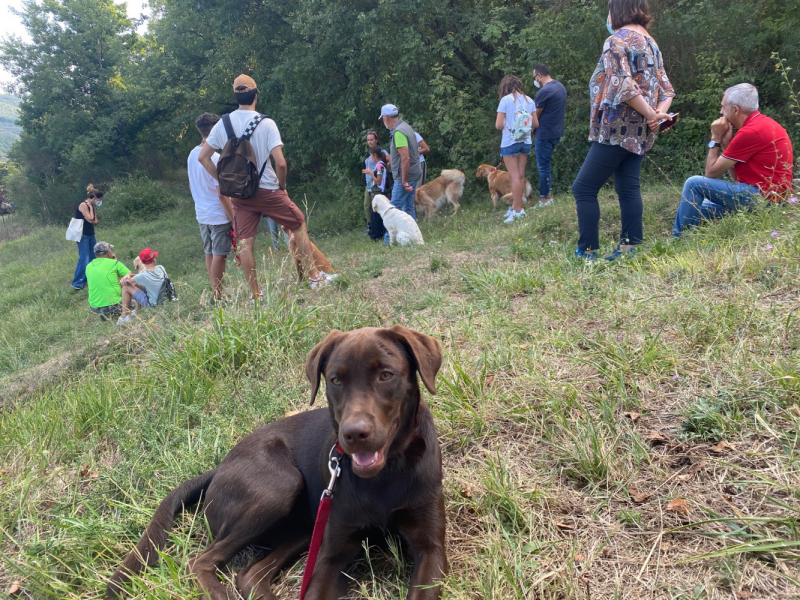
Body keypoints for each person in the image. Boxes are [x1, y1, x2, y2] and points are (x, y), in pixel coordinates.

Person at [200, 74, 336, 295]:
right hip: (268, 189)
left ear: (236, 96)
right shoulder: (266, 123)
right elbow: (280, 162)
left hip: (240, 195)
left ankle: (256, 295)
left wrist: (225, 182)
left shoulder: (222, 124)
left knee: (246, 244)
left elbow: (203, 158)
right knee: (298, 224)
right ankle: (314, 278)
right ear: (256, 95)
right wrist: (281, 186)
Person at [571, 0, 674, 260]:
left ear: (617, 10)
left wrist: (653, 115)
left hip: (616, 128)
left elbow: (622, 86)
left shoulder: (616, 40)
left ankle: (587, 252)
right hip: (641, 132)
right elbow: (667, 89)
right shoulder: (650, 42)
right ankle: (630, 249)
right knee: (628, 188)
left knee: (583, 188)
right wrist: (657, 117)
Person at [673, 83, 794, 236]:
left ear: (735, 110)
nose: (721, 111)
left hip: (764, 200)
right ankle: (693, 233)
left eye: (723, 107)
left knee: (693, 184)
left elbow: (710, 173)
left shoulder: (751, 132)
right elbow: (738, 179)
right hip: (769, 198)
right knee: (695, 207)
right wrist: (726, 145)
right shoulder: (762, 124)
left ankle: (679, 238)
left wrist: (715, 138)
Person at [188, 113, 235, 302]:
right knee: (220, 255)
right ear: (216, 130)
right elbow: (222, 194)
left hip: (202, 214)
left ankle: (217, 290)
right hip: (218, 215)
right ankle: (218, 296)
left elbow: (191, 184)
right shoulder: (215, 158)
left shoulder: (193, 154)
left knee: (210, 253)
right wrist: (234, 219)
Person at [495, 75, 539, 224]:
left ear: (504, 87)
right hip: (525, 141)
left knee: (513, 177)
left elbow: (498, 124)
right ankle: (515, 207)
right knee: (520, 176)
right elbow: (536, 123)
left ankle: (518, 210)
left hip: (509, 141)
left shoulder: (505, 100)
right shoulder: (529, 100)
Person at [379, 104, 421, 243]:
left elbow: (405, 157)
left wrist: (403, 181)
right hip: (414, 172)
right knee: (408, 207)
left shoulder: (398, 132)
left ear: (385, 117)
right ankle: (415, 236)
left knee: (392, 208)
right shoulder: (406, 126)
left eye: (383, 119)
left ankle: (387, 242)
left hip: (405, 176)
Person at [532, 63, 567, 207]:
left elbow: (535, 116)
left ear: (539, 75)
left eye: (534, 77)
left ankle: (545, 198)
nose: (534, 80)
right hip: (556, 132)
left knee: (543, 167)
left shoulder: (544, 91)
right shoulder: (560, 87)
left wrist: (529, 130)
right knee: (545, 165)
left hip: (544, 134)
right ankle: (547, 196)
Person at [119, 248, 169, 324]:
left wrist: (127, 276)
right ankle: (137, 309)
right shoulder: (161, 268)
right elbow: (144, 276)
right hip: (165, 299)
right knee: (136, 284)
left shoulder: (143, 276)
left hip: (153, 305)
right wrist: (131, 275)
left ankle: (123, 316)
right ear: (154, 259)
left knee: (126, 288)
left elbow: (125, 282)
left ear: (142, 262)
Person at [85, 241, 130, 321]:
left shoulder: (88, 266)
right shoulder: (114, 263)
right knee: (134, 297)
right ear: (108, 252)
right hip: (115, 304)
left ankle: (106, 314)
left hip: (95, 307)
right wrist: (115, 260)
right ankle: (117, 312)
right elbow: (130, 276)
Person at [71, 184, 103, 290]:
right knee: (84, 258)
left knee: (94, 256)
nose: (99, 202)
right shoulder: (83, 205)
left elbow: (95, 222)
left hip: (90, 234)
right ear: (93, 198)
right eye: (98, 199)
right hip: (82, 235)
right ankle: (78, 282)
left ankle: (91, 278)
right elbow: (90, 219)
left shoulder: (91, 206)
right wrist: (90, 207)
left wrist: (92, 207)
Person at [363, 130, 392, 227]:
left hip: (377, 183)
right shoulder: (370, 153)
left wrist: (385, 168)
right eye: (368, 140)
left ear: (376, 140)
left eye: (372, 139)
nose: (370, 142)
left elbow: (390, 160)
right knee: (367, 205)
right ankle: (370, 225)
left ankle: (381, 226)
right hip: (369, 182)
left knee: (378, 205)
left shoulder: (381, 151)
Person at [363, 146, 388, 241]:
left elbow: (378, 181)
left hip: (378, 192)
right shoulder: (381, 165)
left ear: (374, 155)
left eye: (371, 155)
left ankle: (377, 235)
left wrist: (370, 173)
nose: (370, 158)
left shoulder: (379, 166)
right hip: (378, 192)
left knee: (376, 215)